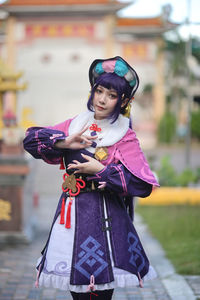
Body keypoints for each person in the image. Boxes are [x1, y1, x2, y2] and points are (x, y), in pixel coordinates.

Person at [23, 56, 159, 300]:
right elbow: (31, 140)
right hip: (71, 216)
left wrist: (102, 171)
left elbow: (144, 184)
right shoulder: (75, 124)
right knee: (77, 289)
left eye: (112, 95)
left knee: (101, 290)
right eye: (99, 91)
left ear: (124, 101)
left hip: (107, 221)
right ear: (92, 92)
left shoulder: (124, 136)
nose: (102, 99)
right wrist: (65, 141)